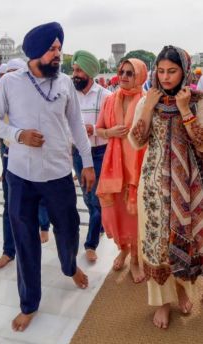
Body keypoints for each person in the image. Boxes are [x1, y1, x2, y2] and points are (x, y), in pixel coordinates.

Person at [0, 22, 95, 332]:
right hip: (21, 174)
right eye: (52, 49)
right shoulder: (9, 84)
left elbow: (76, 126)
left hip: (59, 173)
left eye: (59, 48)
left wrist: (86, 164)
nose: (58, 54)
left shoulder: (65, 85)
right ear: (35, 52)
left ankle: (69, 266)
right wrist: (18, 135)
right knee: (25, 239)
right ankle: (29, 303)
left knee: (69, 227)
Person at [128, 46, 203, 329]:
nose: (166, 77)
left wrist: (185, 110)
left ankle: (183, 288)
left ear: (184, 70)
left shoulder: (196, 101)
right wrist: (147, 107)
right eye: (161, 71)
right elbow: (136, 141)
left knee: (185, 236)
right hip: (154, 185)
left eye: (172, 71)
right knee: (156, 242)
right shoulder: (148, 100)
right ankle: (161, 302)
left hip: (189, 185)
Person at [0, 57, 50, 270]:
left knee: (41, 195)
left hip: (38, 155)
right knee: (11, 205)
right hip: (10, 153)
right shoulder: (2, 98)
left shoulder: (37, 95)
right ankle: (9, 250)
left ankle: (44, 226)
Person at [95, 58, 147, 282]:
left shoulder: (146, 102)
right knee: (116, 210)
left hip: (137, 165)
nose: (124, 77)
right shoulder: (109, 100)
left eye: (130, 73)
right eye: (121, 72)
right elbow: (98, 130)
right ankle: (123, 248)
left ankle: (135, 259)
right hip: (114, 167)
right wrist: (111, 133)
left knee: (134, 214)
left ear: (140, 76)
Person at [71, 50, 112, 262]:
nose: (75, 74)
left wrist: (93, 129)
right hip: (78, 153)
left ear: (89, 72)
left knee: (96, 198)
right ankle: (101, 224)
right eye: (74, 70)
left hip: (99, 153)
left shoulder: (105, 96)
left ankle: (90, 243)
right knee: (88, 196)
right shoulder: (70, 94)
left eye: (79, 70)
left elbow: (113, 126)